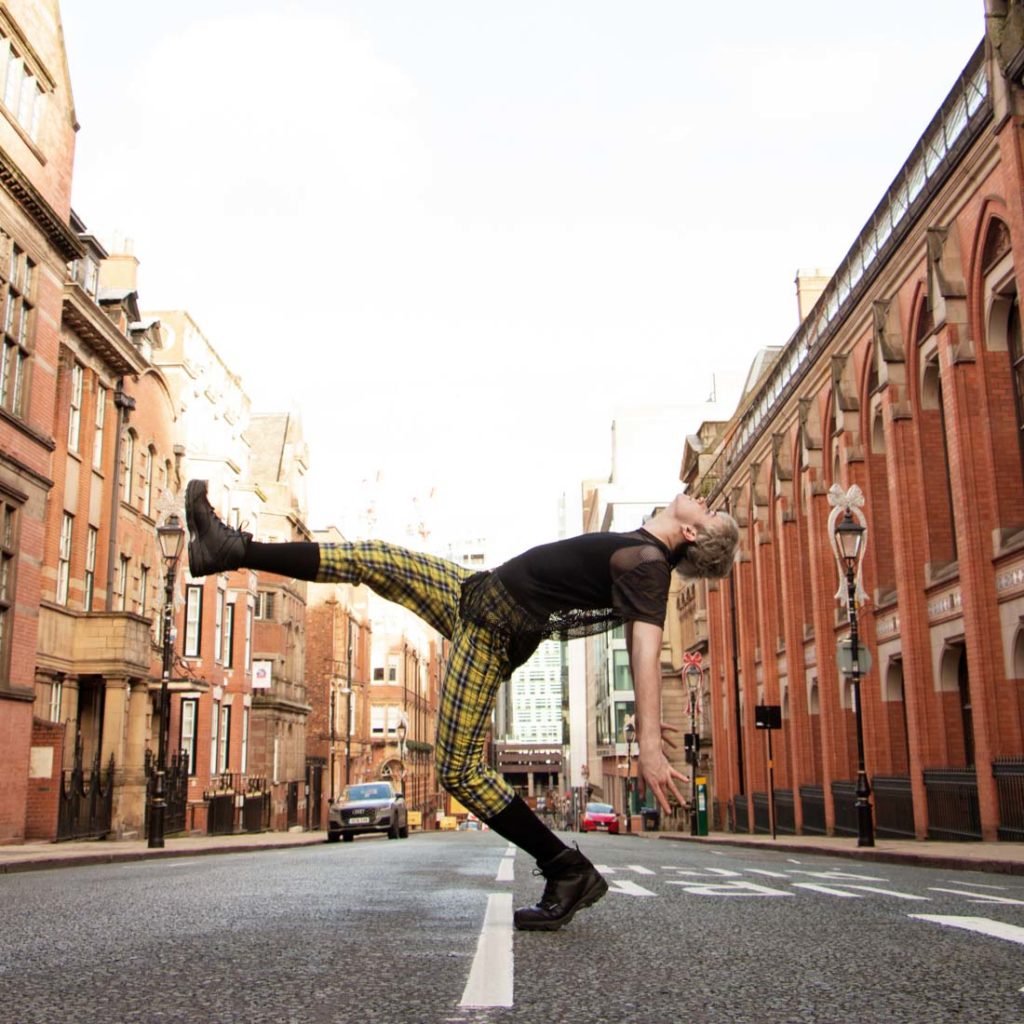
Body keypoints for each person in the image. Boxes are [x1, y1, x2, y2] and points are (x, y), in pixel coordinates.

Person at [184, 480, 739, 931]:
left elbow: (645, 646)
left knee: (459, 771)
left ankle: (565, 868)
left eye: (708, 510)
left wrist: (646, 742)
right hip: (475, 591)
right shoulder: (641, 548)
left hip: (490, 630)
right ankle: (230, 549)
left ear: (690, 532)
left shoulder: (649, 562)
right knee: (373, 558)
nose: (701, 497)